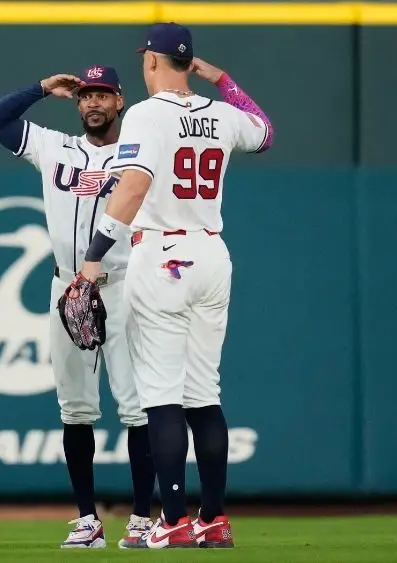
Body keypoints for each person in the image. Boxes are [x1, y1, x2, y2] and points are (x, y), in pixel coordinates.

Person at [70, 22, 273, 549]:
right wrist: (223, 78)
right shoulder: (224, 115)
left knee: (161, 395)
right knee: (204, 394)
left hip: (161, 253)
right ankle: (215, 518)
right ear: (190, 63)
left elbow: (133, 185)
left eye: (146, 58)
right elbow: (265, 131)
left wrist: (93, 258)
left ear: (153, 62)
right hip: (212, 252)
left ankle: (174, 520)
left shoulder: (144, 113)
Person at [0, 66, 157, 549]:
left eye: (103, 95)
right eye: (85, 96)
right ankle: (87, 520)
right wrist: (39, 89)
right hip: (67, 285)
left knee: (137, 407)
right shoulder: (53, 145)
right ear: (76, 104)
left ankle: (142, 518)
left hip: (123, 284)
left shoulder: (140, 152)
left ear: (120, 101)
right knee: (75, 408)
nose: (93, 103)